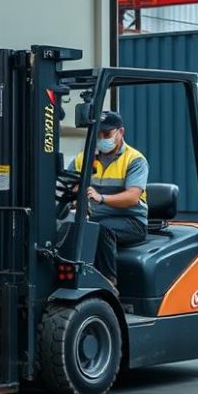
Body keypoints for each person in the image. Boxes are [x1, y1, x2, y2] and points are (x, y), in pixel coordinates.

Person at [73, 110, 148, 288]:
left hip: (131, 221)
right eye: (98, 134)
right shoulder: (84, 158)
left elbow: (132, 197)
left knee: (102, 229)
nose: (101, 139)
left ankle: (108, 282)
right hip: (95, 217)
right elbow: (71, 183)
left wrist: (101, 198)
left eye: (106, 134)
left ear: (120, 132)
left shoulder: (135, 160)